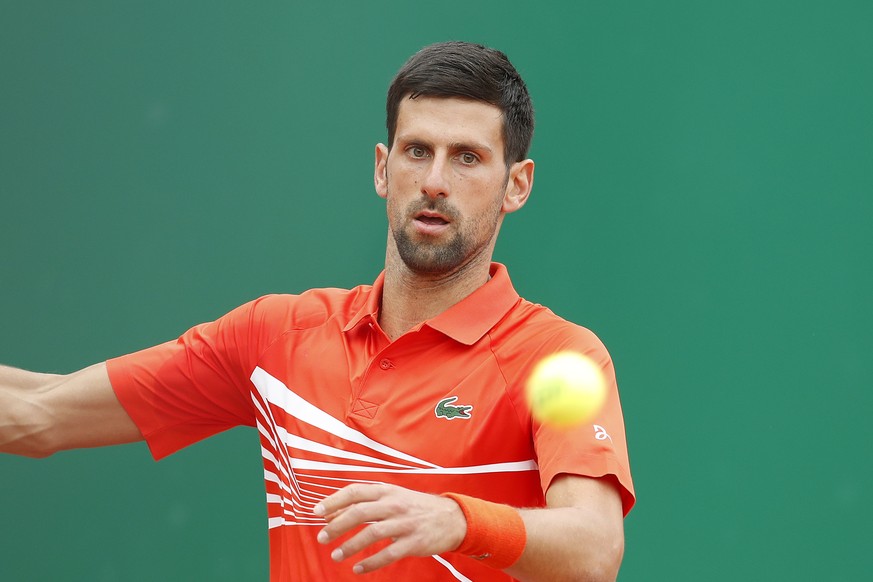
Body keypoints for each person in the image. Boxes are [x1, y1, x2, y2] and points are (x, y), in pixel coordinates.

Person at [0, 41, 634, 581]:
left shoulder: (558, 358)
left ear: (516, 185)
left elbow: (596, 548)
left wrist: (457, 518)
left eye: (467, 157)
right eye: (417, 151)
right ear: (383, 170)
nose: (435, 180)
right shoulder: (278, 336)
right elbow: (36, 414)